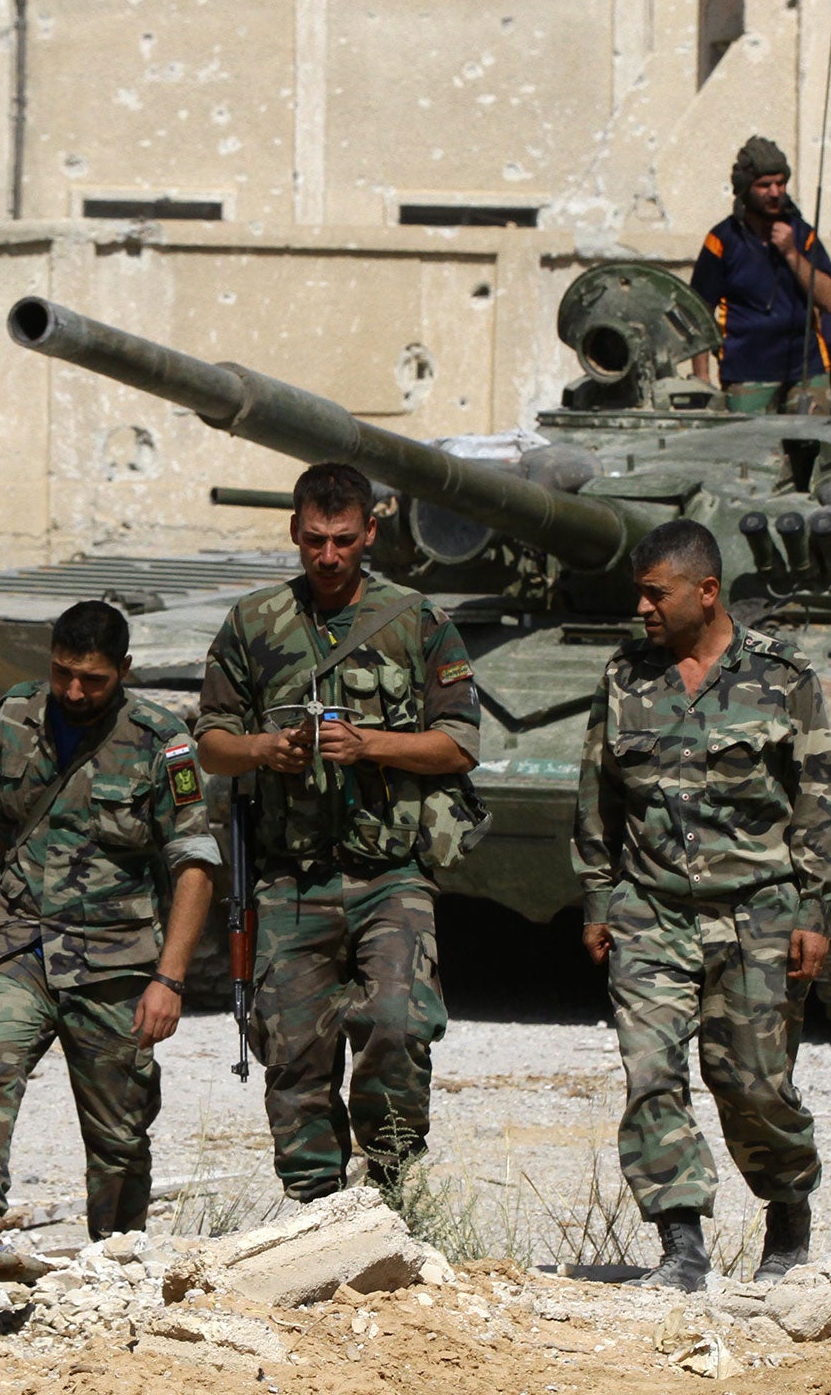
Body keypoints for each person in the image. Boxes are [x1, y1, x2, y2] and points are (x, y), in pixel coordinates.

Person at [574, 517, 831, 1291]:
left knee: (754, 1084)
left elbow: (821, 805)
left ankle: (788, 1212)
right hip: (651, 909)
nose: (643, 609)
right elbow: (596, 795)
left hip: (758, 911)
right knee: (651, 1072)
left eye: (655, 594)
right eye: (639, 594)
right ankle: (682, 1245)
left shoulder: (783, 677)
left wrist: (815, 912)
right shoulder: (624, 677)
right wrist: (598, 897)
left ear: (706, 591)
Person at [194, 461, 480, 1202]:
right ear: (294, 531)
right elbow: (210, 744)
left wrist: (370, 745)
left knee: (397, 1021)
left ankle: (388, 1179)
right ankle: (315, 1204)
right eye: (314, 540)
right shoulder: (255, 625)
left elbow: (459, 743)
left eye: (343, 540)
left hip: (390, 874)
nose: (327, 556)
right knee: (294, 1048)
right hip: (290, 874)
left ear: (370, 534)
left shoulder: (417, 623)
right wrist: (265, 749)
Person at [0, 599, 219, 1239]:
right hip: (14, 944)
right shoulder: (16, 715)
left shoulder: (162, 743)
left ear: (123, 669)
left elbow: (195, 863)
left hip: (112, 965)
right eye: (63, 672)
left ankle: (114, 1264)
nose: (74, 690)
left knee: (119, 1138)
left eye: (92, 679)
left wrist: (170, 981)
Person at [688, 136, 831, 413]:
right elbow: (699, 312)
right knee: (749, 448)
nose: (774, 192)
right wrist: (702, 377)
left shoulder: (802, 235)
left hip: (805, 369)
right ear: (745, 189)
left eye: (780, 184)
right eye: (764, 185)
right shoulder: (723, 240)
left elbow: (829, 300)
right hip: (747, 371)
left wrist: (792, 254)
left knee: (817, 445)